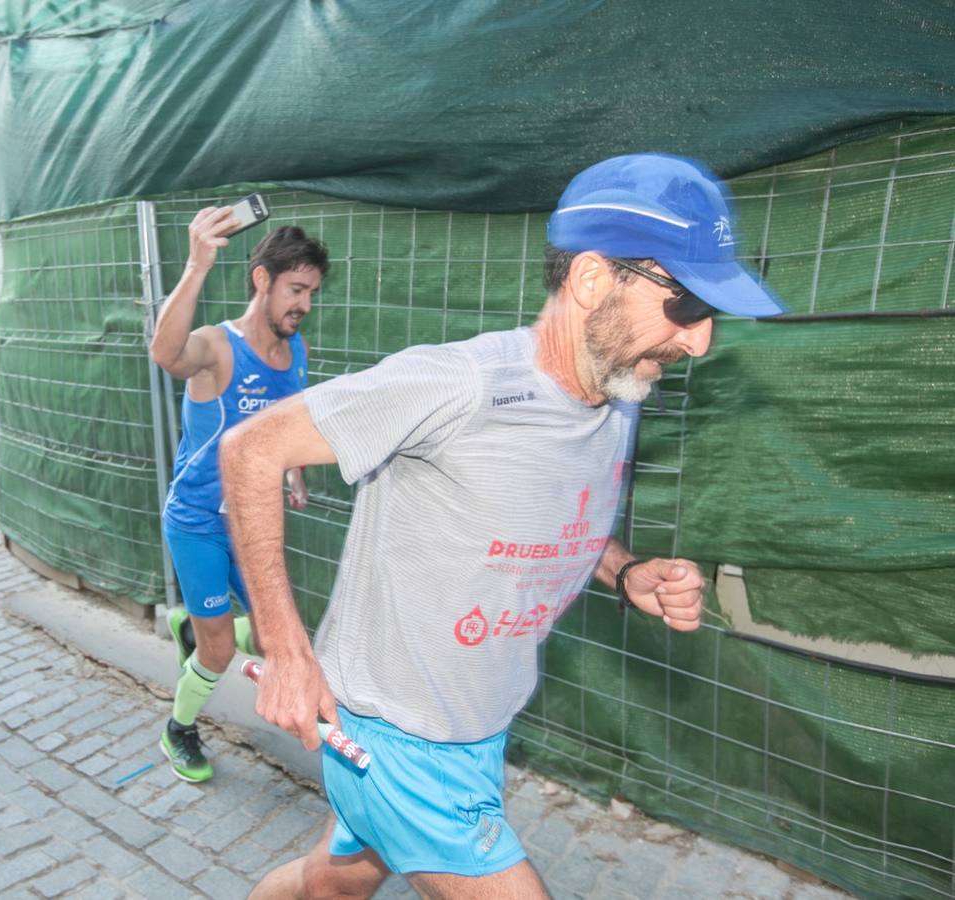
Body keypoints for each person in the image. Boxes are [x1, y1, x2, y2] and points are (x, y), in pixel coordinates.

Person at [220, 154, 788, 898]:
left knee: (333, 883)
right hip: (393, 741)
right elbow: (251, 448)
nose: (701, 340)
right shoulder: (461, 385)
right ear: (592, 281)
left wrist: (624, 572)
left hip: (477, 733)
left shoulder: (619, 395)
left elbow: (549, 519)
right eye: (686, 307)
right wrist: (287, 652)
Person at [150, 204, 329, 782]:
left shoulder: (293, 351)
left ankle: (194, 626)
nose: (303, 305)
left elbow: (286, 421)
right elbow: (166, 354)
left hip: (250, 524)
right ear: (262, 280)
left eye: (311, 293)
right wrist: (198, 263)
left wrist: (295, 472)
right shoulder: (218, 348)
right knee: (222, 653)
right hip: (199, 521)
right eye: (295, 289)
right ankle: (179, 730)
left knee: (271, 628)